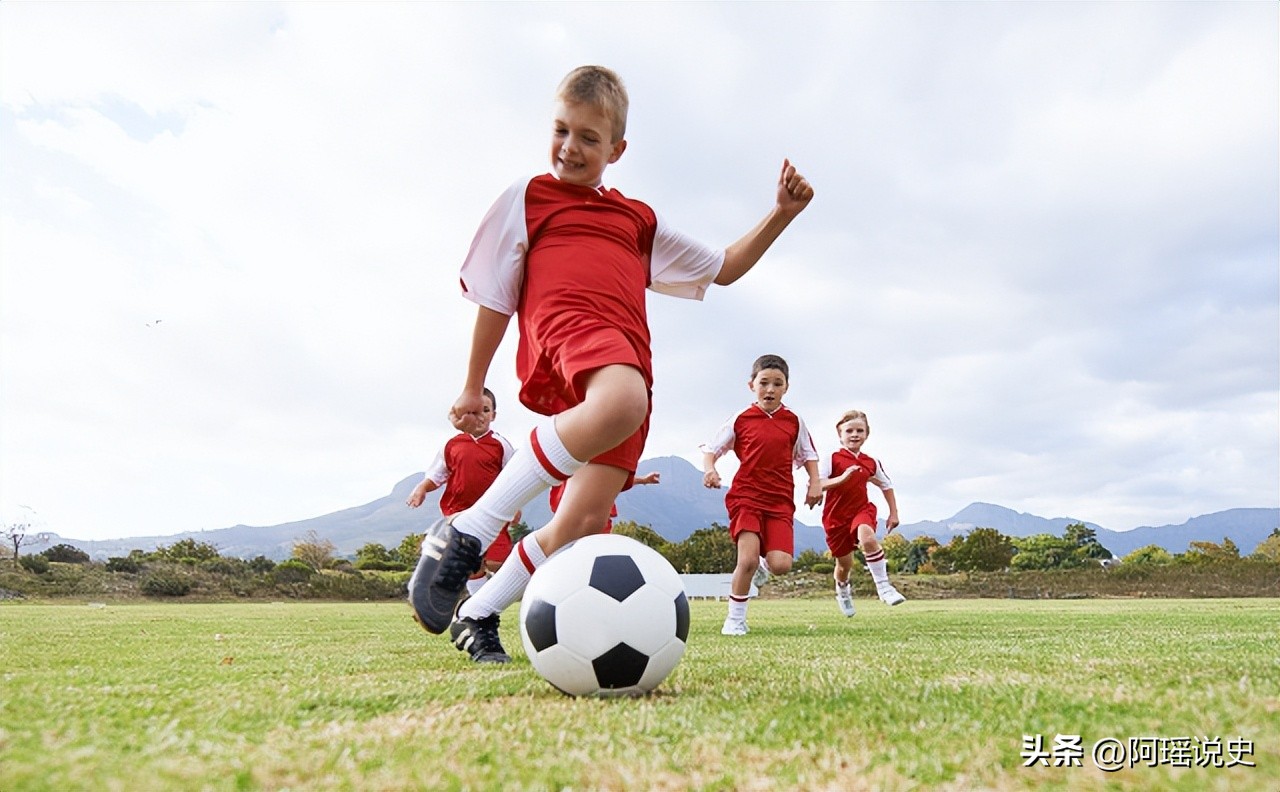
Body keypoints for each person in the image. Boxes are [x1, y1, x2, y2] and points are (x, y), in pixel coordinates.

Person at [407, 64, 814, 664]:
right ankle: (468, 528)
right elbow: (495, 295)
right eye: (561, 130)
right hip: (569, 334)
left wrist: (781, 213)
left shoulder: (637, 219)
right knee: (622, 401)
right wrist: (473, 384)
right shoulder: (529, 198)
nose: (570, 147)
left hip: (626, 363)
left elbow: (724, 266)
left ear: (617, 148)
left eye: (589, 137)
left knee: (580, 522)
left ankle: (478, 611)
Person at [700, 354, 821, 636]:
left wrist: (815, 482)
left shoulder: (794, 421)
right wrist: (710, 470)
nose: (770, 389)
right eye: (763, 382)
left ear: (786, 387)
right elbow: (711, 449)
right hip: (746, 496)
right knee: (748, 560)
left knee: (780, 565)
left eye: (777, 384)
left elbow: (808, 454)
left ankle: (767, 557)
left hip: (780, 499)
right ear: (751, 384)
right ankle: (735, 620)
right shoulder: (741, 418)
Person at [405, 387, 517, 598]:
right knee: (470, 559)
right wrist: (421, 488)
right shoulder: (451, 445)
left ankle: (486, 590)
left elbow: (512, 477)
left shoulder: (501, 445)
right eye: (473, 412)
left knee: (497, 561)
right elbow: (437, 475)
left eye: (485, 410)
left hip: (493, 512)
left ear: (493, 415)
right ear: (463, 415)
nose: (479, 416)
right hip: (459, 513)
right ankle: (477, 606)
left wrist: (516, 505)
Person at [819, 409, 905, 616]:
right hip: (835, 517)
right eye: (849, 431)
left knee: (868, 539)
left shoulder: (870, 462)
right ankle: (843, 590)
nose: (854, 434)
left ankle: (884, 587)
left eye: (860, 430)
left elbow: (886, 485)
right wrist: (843, 478)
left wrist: (894, 513)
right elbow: (819, 484)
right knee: (844, 565)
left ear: (867, 434)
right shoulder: (831, 458)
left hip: (861, 509)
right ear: (840, 434)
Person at [547, 469, 660, 533]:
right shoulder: (578, 460)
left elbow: (612, 482)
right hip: (582, 521)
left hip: (594, 521)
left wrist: (644, 480)